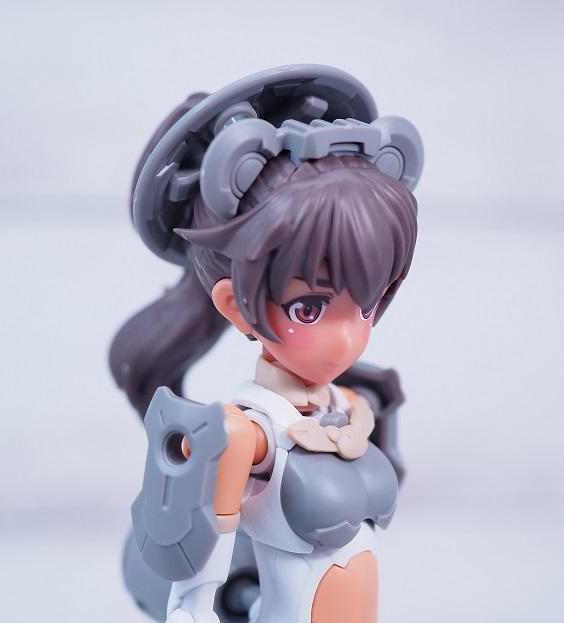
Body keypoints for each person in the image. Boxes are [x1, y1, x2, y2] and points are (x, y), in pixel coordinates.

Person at [111, 65, 422, 623]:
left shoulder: (353, 404)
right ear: (236, 306)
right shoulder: (245, 434)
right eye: (310, 309)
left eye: (368, 302)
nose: (347, 336)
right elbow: (194, 578)